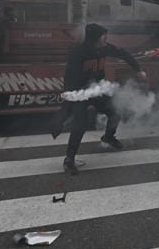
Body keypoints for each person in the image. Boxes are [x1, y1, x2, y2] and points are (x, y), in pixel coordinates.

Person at [59, 23, 146, 175]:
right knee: (80, 125)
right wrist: (71, 95)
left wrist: (138, 70)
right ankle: (69, 160)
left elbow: (124, 54)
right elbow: (69, 76)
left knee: (115, 113)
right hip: (81, 94)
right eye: (103, 35)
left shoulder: (105, 48)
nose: (106, 37)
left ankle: (108, 137)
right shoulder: (78, 52)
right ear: (94, 37)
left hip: (98, 90)